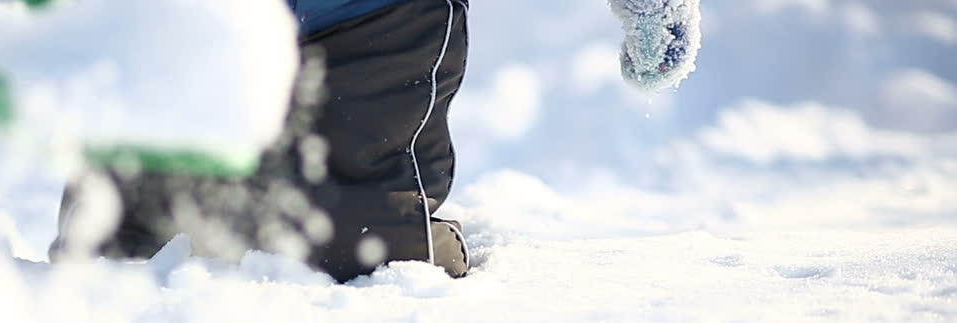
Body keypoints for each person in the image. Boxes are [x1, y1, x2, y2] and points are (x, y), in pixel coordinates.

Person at [50, 0, 700, 282]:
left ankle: (412, 227)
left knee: (357, 250)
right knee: (116, 253)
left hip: (371, 23)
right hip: (192, 28)